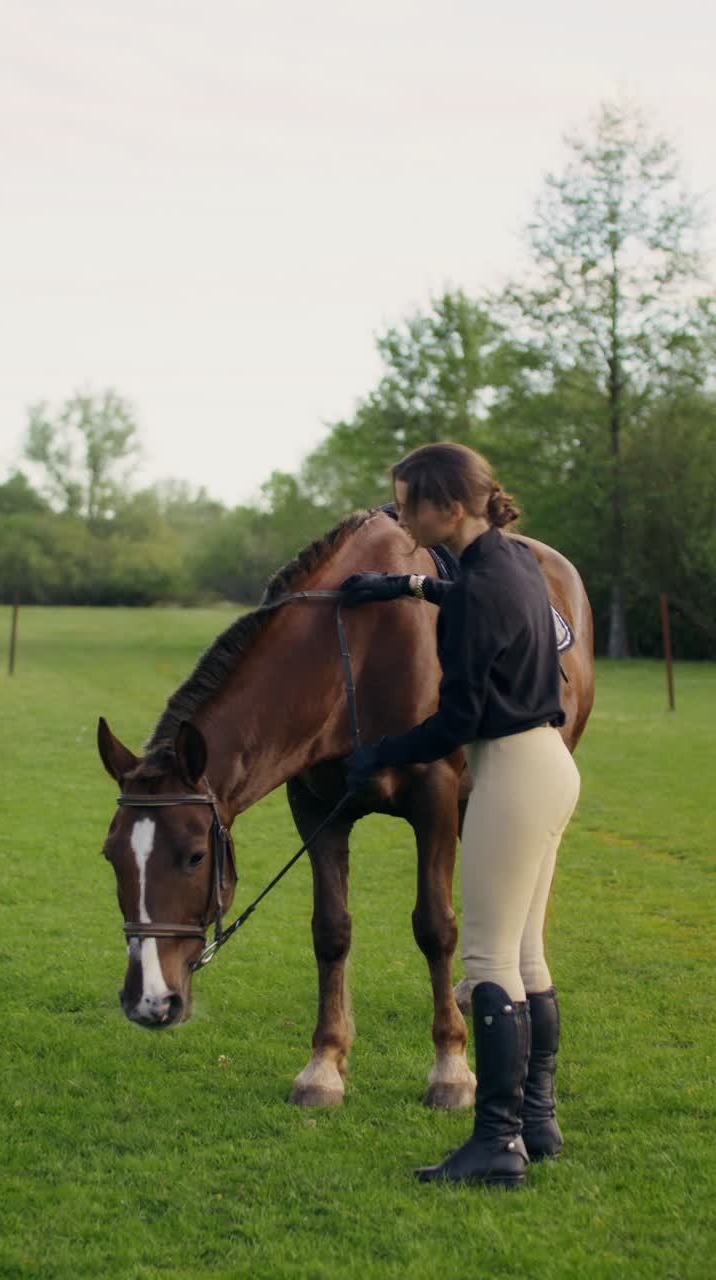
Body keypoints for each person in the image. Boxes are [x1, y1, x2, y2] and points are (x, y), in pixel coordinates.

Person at [340, 442, 580, 1188]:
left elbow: (455, 722)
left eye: (409, 502)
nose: (399, 513)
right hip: (550, 767)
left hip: (507, 771)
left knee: (486, 963)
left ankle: (494, 1145)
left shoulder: (479, 585)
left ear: (449, 508)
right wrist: (406, 584)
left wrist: (381, 751)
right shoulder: (511, 560)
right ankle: (534, 1123)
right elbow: (478, 599)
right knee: (528, 958)